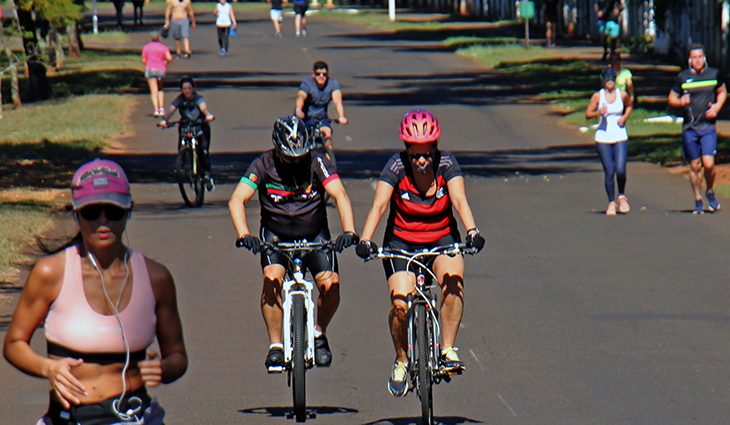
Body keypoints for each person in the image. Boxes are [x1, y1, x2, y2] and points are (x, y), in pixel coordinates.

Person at [3, 159, 188, 424]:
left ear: (128, 211)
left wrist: (163, 369)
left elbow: (178, 356)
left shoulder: (156, 277)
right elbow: (13, 344)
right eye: (92, 212)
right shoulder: (50, 273)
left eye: (113, 211)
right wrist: (48, 367)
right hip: (70, 417)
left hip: (135, 415)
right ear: (77, 214)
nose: (103, 221)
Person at [355, 109, 485, 397]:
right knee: (400, 304)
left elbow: (460, 200)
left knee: (454, 280)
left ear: (435, 149)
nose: (422, 161)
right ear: (407, 152)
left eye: (427, 154)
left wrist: (473, 231)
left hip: (441, 237)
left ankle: (448, 348)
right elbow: (379, 205)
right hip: (402, 242)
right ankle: (401, 361)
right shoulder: (395, 167)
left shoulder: (448, 165)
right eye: (416, 155)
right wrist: (365, 239)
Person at [228, 115, 358, 372]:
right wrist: (244, 235)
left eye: (300, 157)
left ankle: (319, 334)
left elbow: (339, 194)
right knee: (272, 279)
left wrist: (349, 231)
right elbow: (236, 200)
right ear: (277, 150)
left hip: (314, 234)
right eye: (289, 157)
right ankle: (275, 346)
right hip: (276, 237)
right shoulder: (262, 164)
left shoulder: (317, 161)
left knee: (330, 284)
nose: (296, 162)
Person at [668, 43, 727, 214]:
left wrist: (717, 107)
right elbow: (671, 98)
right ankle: (697, 199)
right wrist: (680, 102)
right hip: (690, 127)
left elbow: (722, 91)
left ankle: (709, 190)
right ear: (689, 59)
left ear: (705, 58)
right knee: (694, 165)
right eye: (694, 57)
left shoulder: (714, 74)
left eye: (700, 57)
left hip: (708, 126)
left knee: (708, 164)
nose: (698, 60)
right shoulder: (683, 77)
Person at [585, 68, 633, 216]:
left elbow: (630, 104)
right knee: (609, 170)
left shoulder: (621, 94)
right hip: (603, 137)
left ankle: (622, 195)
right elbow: (587, 114)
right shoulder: (597, 97)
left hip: (620, 134)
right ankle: (611, 202)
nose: (610, 83)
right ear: (603, 81)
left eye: (612, 80)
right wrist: (598, 112)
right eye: (607, 80)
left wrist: (624, 117)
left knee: (620, 168)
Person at [160, 76, 216, 192]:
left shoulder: (198, 99)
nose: (186, 91)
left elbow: (204, 108)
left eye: (189, 88)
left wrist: (207, 115)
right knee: (181, 147)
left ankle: (206, 175)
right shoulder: (180, 99)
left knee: (203, 152)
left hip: (200, 127)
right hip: (186, 127)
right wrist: (164, 120)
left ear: (193, 89)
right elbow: (171, 110)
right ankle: (185, 165)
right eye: (184, 88)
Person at [295, 61, 349, 154]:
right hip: (305, 118)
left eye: (324, 74)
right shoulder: (307, 83)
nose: (321, 76)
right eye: (318, 74)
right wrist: (298, 110)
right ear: (313, 75)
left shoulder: (332, 84)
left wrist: (341, 116)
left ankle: (330, 163)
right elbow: (301, 97)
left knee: (327, 135)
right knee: (300, 142)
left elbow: (337, 101)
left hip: (321, 118)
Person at [142, 32, 173, 118]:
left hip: (150, 69)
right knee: (160, 89)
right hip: (160, 69)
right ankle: (162, 108)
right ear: (159, 38)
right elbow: (169, 58)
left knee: (153, 91)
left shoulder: (146, 47)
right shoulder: (163, 47)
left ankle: (156, 109)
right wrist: (165, 62)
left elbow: (144, 60)